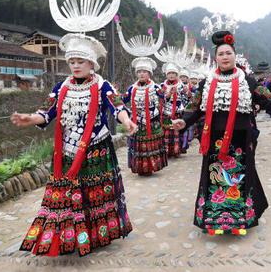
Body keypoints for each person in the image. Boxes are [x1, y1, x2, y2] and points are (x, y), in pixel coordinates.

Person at [12, 34, 135, 256]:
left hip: (96, 149)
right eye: (72, 62)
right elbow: (47, 112)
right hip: (67, 150)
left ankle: (97, 234)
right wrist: (30, 118)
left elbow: (117, 106)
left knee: (95, 193)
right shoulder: (61, 87)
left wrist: (126, 120)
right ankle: (67, 236)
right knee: (67, 193)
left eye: (81, 61)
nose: (76, 66)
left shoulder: (102, 85)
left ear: (91, 64)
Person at [172, 30, 271, 235]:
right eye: (221, 54)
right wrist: (183, 122)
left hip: (241, 137)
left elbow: (265, 96)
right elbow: (194, 107)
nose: (225, 57)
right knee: (215, 178)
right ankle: (214, 219)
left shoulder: (247, 80)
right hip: (213, 138)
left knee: (240, 176)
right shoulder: (207, 82)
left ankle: (240, 220)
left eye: (228, 53)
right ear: (216, 58)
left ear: (234, 56)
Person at [123, 57, 168, 176]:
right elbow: (122, 100)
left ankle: (151, 167)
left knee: (150, 146)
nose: (141, 74)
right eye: (139, 71)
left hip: (152, 122)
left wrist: (168, 94)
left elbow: (164, 97)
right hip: (137, 122)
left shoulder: (155, 87)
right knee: (139, 147)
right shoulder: (132, 88)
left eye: (144, 71)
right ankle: (140, 168)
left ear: (149, 73)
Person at [160, 63, 186, 157]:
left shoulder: (181, 85)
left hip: (177, 112)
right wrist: (168, 95)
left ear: (176, 75)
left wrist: (187, 92)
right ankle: (166, 150)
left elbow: (187, 97)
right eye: (169, 73)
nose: (171, 75)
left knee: (176, 131)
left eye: (173, 73)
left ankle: (176, 150)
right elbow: (160, 98)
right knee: (166, 132)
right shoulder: (162, 86)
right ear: (166, 75)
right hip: (166, 111)